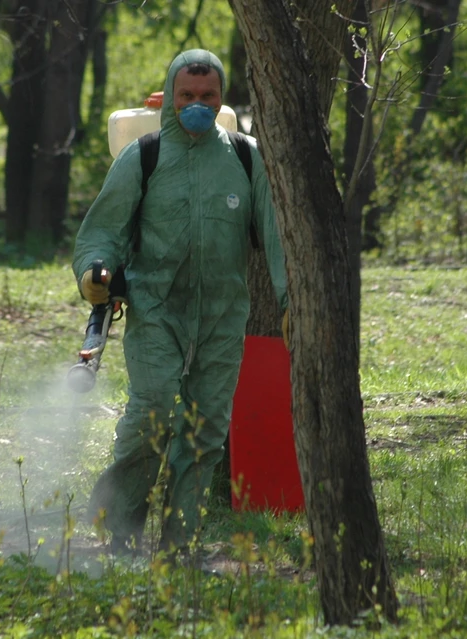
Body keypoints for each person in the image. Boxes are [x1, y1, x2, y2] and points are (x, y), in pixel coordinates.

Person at [72, 49, 289, 557]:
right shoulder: (142, 156)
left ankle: (179, 545)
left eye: (207, 96)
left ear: (221, 99)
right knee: (150, 417)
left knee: (205, 430)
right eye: (186, 96)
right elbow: (101, 231)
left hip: (221, 316)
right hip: (155, 311)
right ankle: (119, 531)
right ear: (171, 97)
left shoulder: (246, 156)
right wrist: (93, 275)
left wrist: (289, 302)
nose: (196, 104)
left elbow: (280, 237)